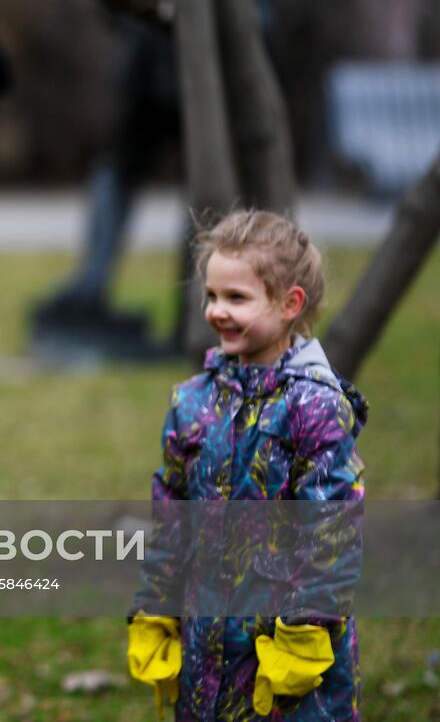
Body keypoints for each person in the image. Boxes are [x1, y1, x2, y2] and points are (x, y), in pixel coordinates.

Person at [128, 210, 365, 721]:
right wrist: (156, 607)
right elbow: (171, 513)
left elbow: (331, 530)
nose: (217, 311)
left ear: (289, 304)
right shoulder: (191, 402)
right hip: (205, 637)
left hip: (284, 644)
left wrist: (306, 632)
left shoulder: (314, 405)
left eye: (236, 298)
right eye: (212, 296)